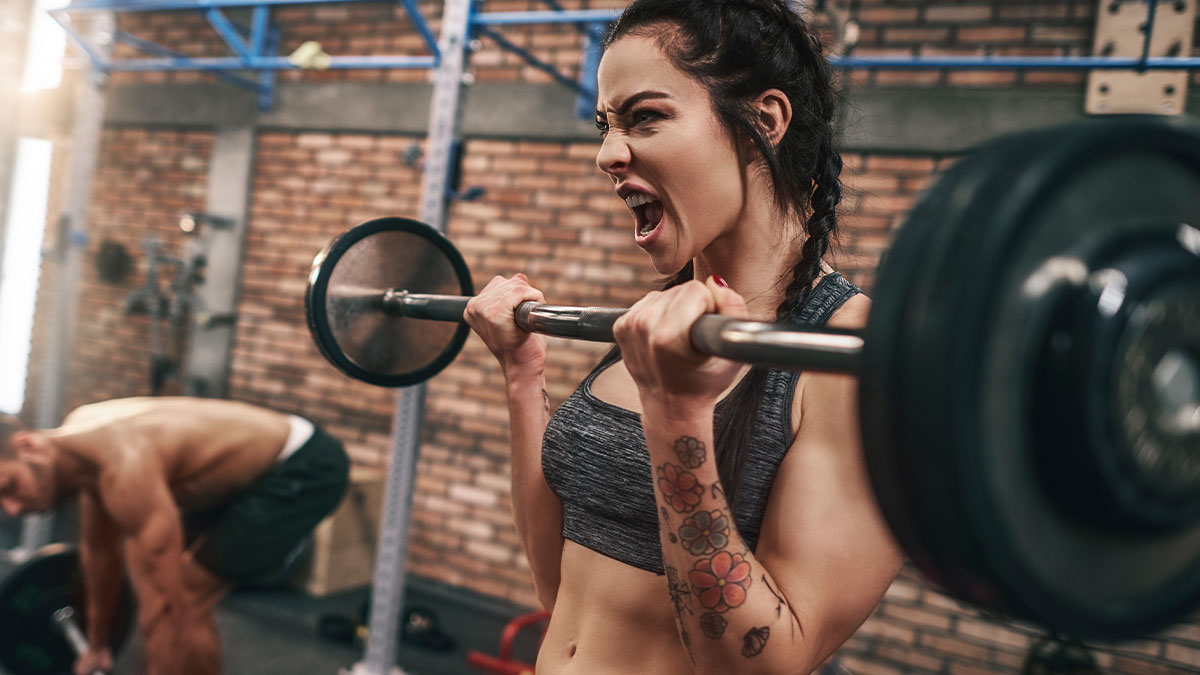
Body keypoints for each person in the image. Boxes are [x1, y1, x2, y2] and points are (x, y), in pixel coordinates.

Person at [464, 1, 903, 672]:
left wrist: (677, 414)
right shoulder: (658, 322)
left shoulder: (847, 351)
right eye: (606, 125)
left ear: (765, 120)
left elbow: (768, 661)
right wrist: (523, 376)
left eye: (645, 117)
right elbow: (558, 584)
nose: (608, 154)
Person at [0, 397, 349, 675]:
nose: (12, 509)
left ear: (28, 444)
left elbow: (165, 607)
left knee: (184, 594)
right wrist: (96, 645)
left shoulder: (126, 467)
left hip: (302, 464)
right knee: (178, 590)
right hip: (234, 477)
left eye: (11, 487)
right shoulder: (82, 446)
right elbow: (100, 553)